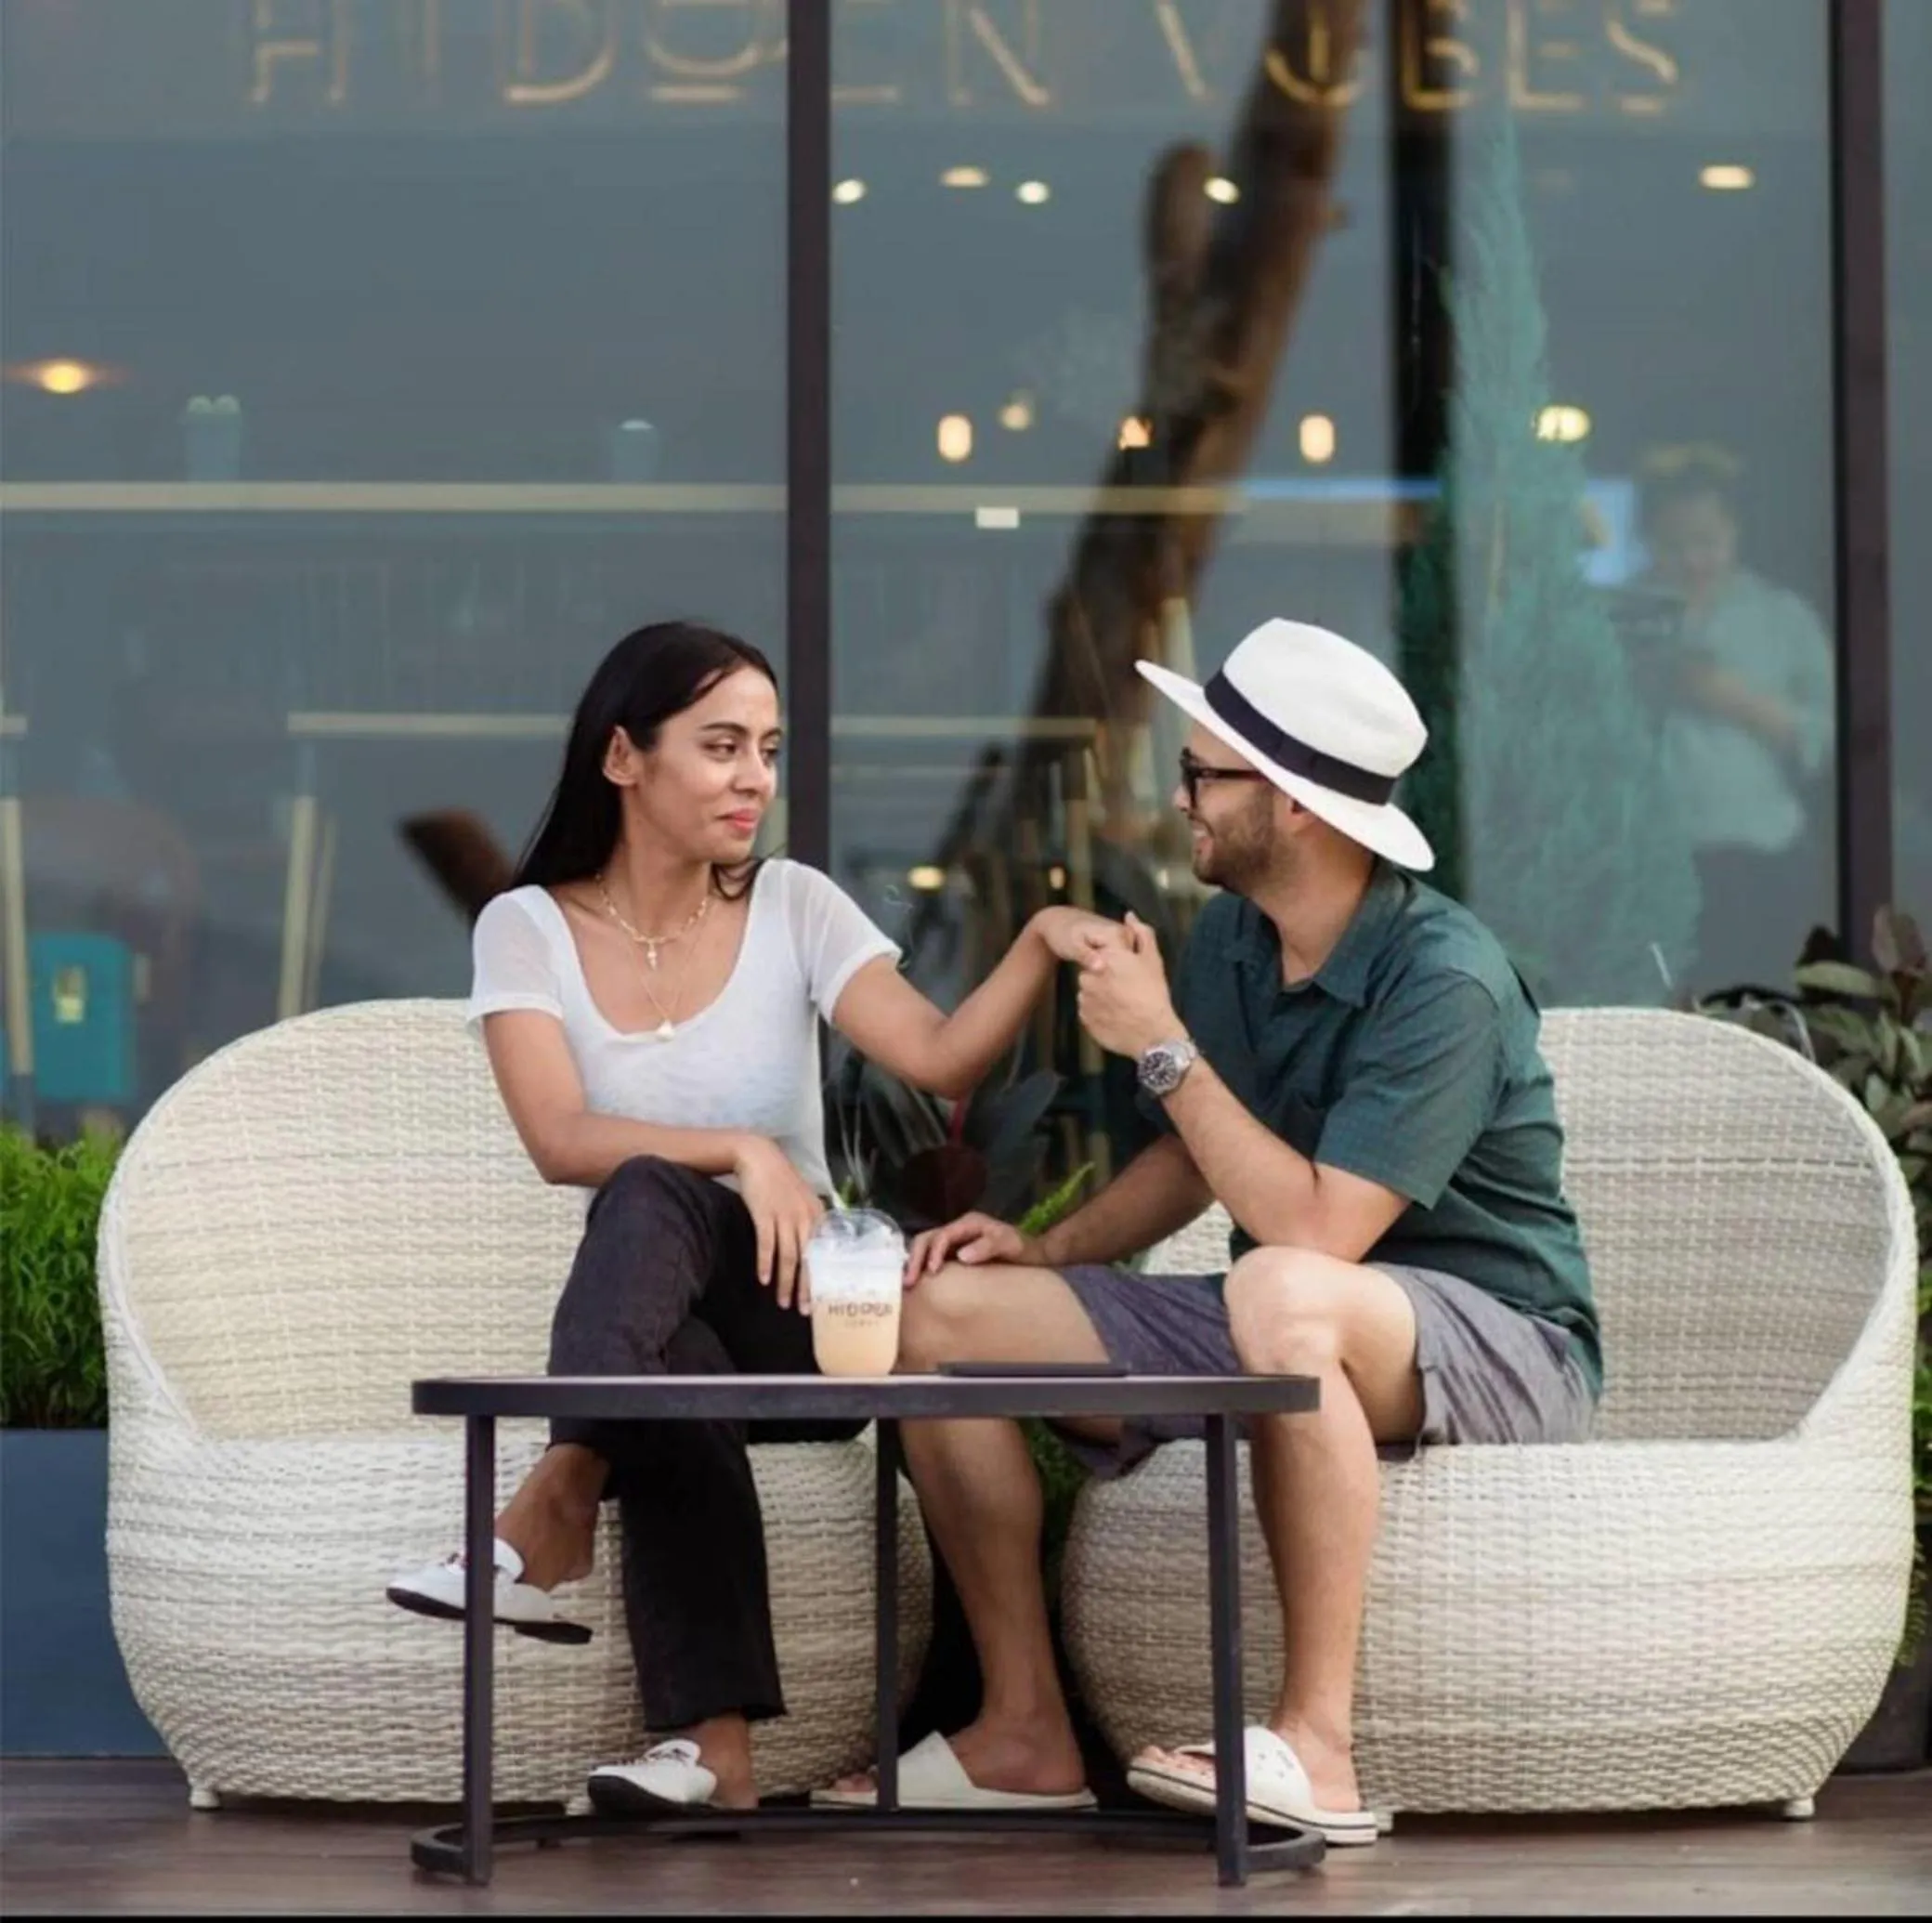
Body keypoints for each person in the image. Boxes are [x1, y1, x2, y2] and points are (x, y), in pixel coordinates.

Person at [821, 618, 1600, 1844]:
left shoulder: (1444, 976)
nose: (1173, 796)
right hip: (1282, 1313)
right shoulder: (1239, 933)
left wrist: (1162, 1043)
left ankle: (1318, 1748)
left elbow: (1320, 1229)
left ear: (1289, 803)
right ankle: (1024, 1725)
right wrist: (1052, 1247)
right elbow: (1198, 1152)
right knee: (938, 1319)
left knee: (1286, 1288)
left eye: (1200, 774)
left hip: (1493, 1340)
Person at [385, 621, 1118, 1816]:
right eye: (721, 746)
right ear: (624, 758)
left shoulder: (793, 905)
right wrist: (738, 1150)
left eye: (767, 751)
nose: (754, 780)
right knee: (664, 1324)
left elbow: (939, 1056)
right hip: (685, 1318)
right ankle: (711, 1754)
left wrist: (1037, 941)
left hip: (819, 1313)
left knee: (645, 1209)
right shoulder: (525, 927)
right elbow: (555, 1138)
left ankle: (560, 1492)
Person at [1636, 445, 1835, 991]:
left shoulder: (1781, 618)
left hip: (1762, 856)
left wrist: (1732, 699)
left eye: (1708, 543)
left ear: (1736, 535)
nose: (1694, 560)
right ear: (1648, 539)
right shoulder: (1624, 615)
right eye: (1676, 546)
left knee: (1759, 1010)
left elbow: (1830, 738)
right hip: (1657, 860)